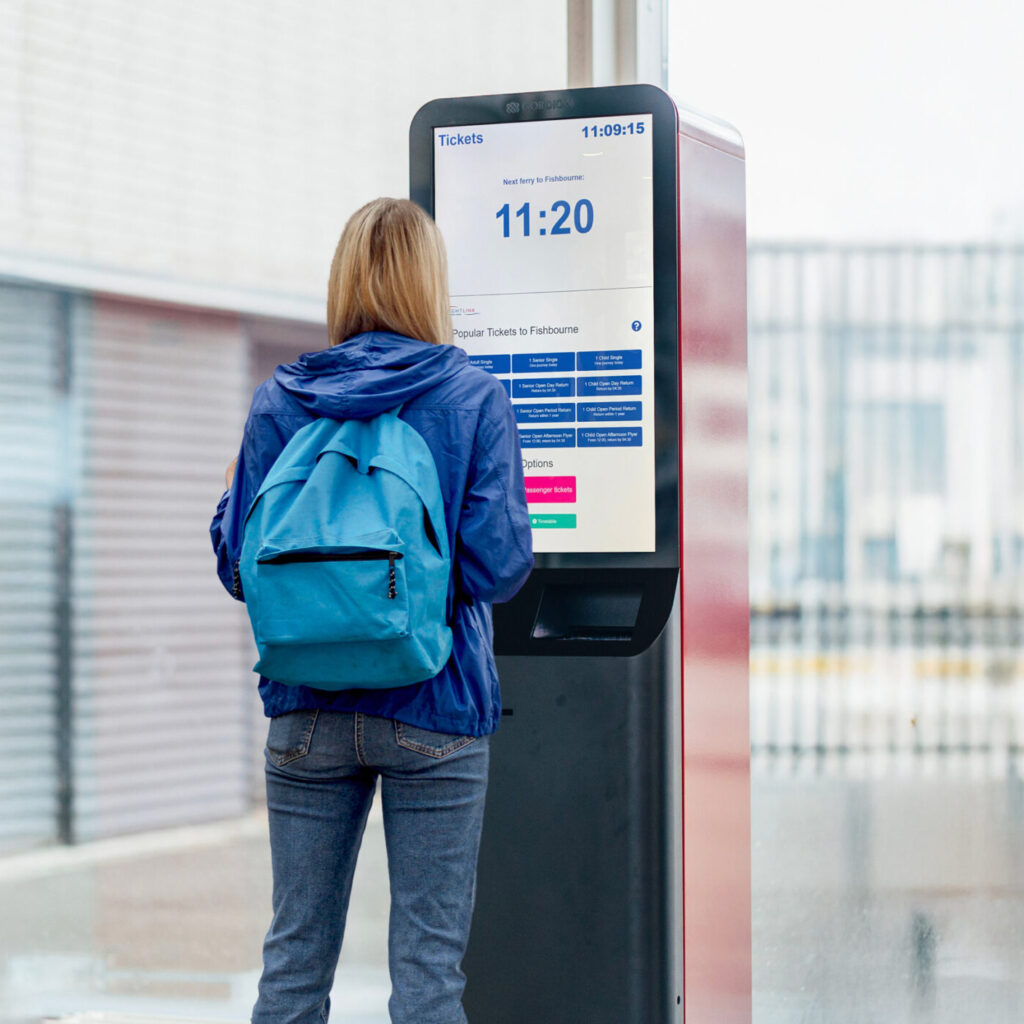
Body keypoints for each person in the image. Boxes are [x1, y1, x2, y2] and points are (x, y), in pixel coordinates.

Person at [209, 197, 533, 1024]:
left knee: (292, 968)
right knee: (428, 980)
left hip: (306, 714)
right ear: (431, 281)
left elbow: (237, 565)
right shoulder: (469, 396)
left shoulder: (281, 400)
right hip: (437, 705)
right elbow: (497, 567)